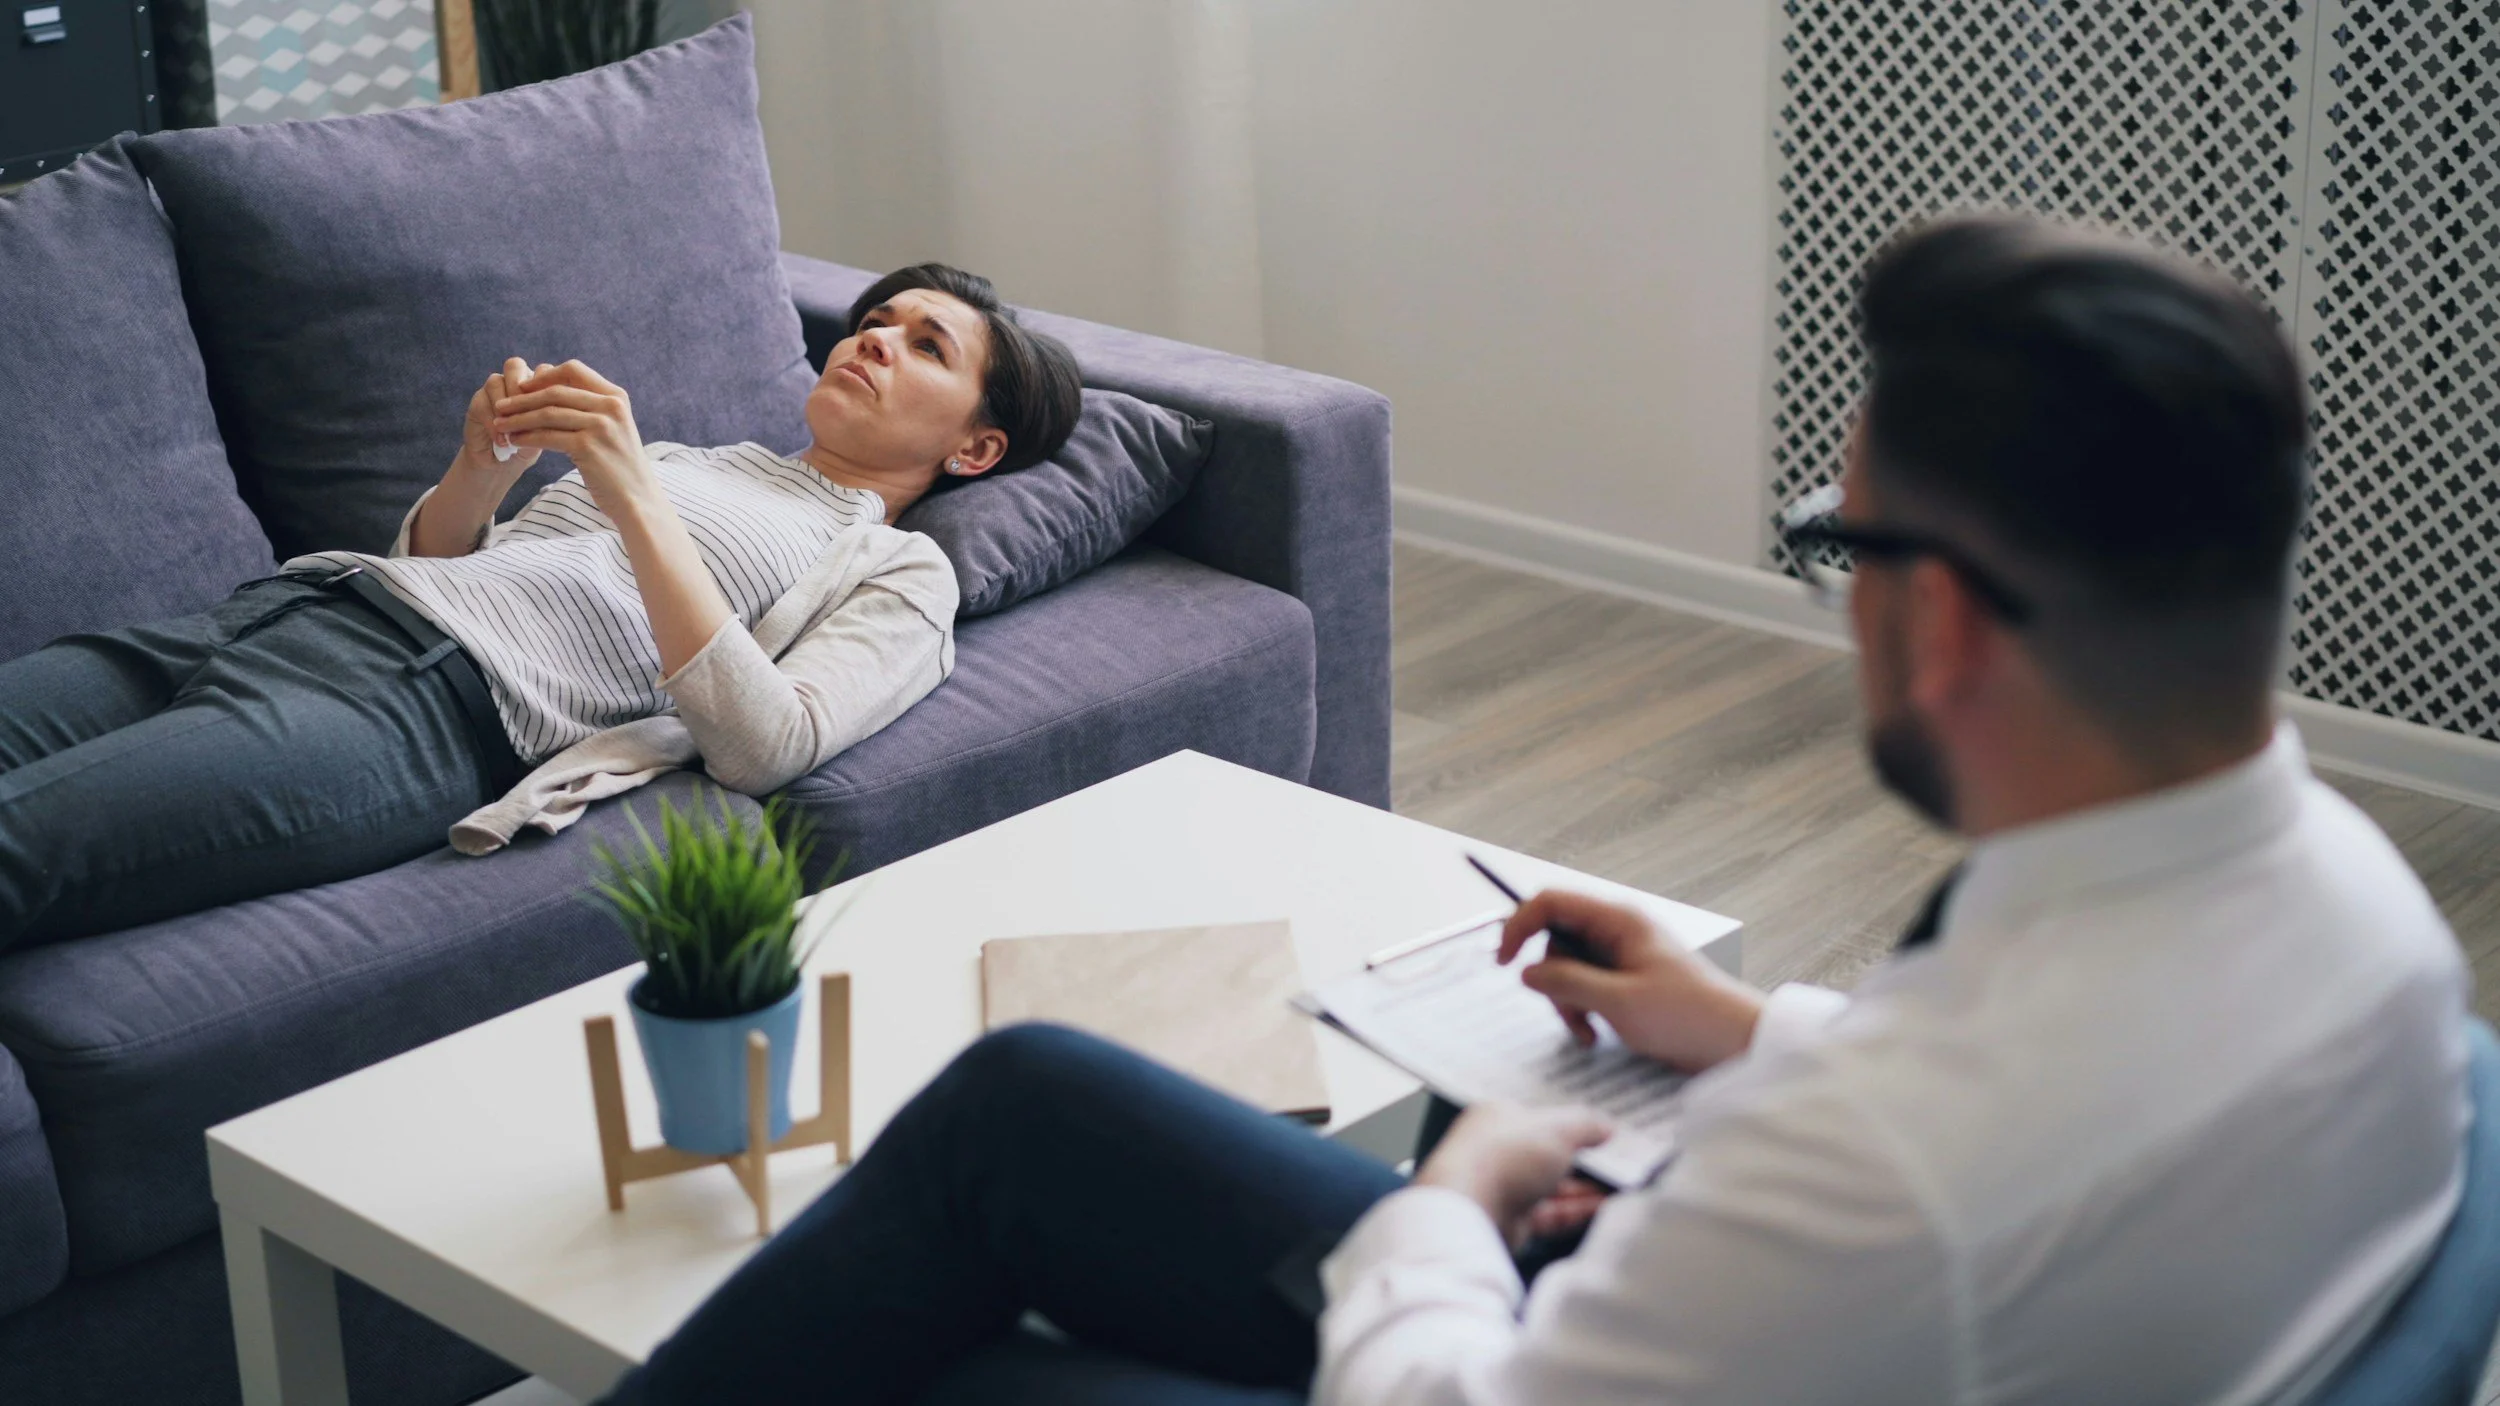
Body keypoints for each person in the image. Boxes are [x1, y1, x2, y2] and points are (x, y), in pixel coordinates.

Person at [596, 215, 2471, 1404]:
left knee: (964, 1279)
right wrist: (1747, 1029)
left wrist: (1463, 1195)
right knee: (1031, 1107)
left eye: (1839, 546)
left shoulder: (1896, 1183)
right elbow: (2014, 1117)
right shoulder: (2362, 916)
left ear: (1949, 613)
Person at [0, 264, 1082, 950]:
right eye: (875, 320)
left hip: (415, 714)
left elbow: (768, 741)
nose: (873, 338)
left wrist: (627, 488)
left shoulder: (896, 571)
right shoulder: (689, 457)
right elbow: (450, 558)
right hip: (293, 608)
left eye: (926, 345)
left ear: (975, 447)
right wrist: (482, 462)